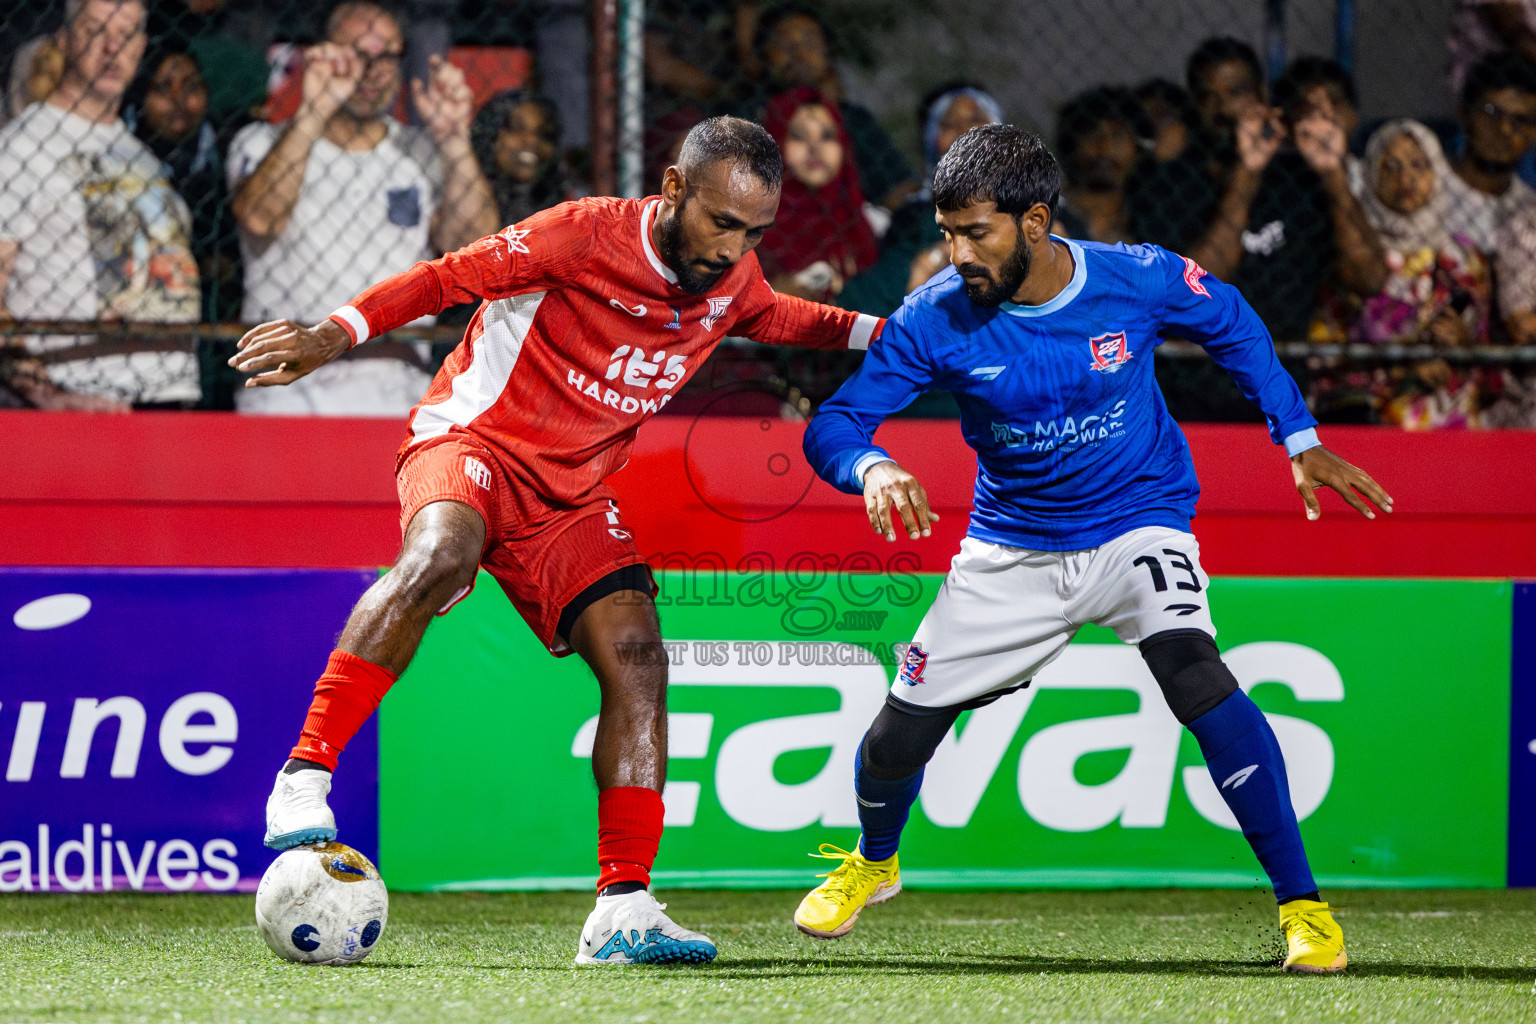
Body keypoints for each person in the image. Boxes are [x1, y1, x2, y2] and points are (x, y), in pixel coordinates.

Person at [233, 116, 883, 966]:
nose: (733, 248)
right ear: (674, 188)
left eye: (754, 233)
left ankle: (624, 908)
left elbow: (785, 317)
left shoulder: (732, 280)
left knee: (638, 657)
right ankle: (303, 776)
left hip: (570, 496)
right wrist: (331, 334)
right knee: (440, 557)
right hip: (473, 441)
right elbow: (443, 278)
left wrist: (895, 335)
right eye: (722, 222)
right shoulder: (583, 234)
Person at [792, 124, 1392, 973]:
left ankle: (1305, 910)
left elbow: (1231, 321)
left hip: (1137, 519)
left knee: (1195, 671)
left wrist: (1297, 436)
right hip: (1013, 546)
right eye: (947, 233)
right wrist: (873, 466)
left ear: (1035, 222)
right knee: (895, 740)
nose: (957, 254)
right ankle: (874, 860)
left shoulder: (1134, 277)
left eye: (976, 233)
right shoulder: (935, 316)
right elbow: (836, 423)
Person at [228, 0, 498, 416]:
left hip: (397, 387)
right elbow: (260, 218)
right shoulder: (260, 142)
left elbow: (475, 249)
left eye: (387, 56)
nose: (373, 70)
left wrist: (454, 140)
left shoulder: (422, 152)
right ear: (318, 54)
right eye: (356, 53)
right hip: (285, 387)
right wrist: (314, 110)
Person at [0, 0, 202, 411]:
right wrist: (49, 396)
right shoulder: (22, 146)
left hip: (168, 400)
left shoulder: (140, 155)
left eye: (125, 34)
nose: (111, 47)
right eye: (95, 30)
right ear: (64, 40)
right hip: (81, 401)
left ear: (141, 46)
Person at [1127, 37, 1386, 342]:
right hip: (1199, 364)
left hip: (1280, 363)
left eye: (1236, 93)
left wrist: (1333, 174)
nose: (1223, 109)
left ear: (1262, 96)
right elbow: (1190, 296)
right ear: (1194, 106)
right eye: (1208, 97)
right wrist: (1246, 175)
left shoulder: (1298, 181)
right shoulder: (1170, 184)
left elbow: (1369, 278)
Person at [836, 80, 1002, 318]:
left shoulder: (1041, 207)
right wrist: (927, 265)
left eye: (976, 118)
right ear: (932, 140)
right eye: (949, 124)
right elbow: (864, 299)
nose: (965, 130)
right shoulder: (915, 219)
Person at [750, 4, 918, 211]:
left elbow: (899, 188)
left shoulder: (854, 119)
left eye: (810, 41)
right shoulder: (752, 122)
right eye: (784, 45)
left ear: (827, 49)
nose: (799, 53)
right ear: (764, 56)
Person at [126, 42, 242, 324]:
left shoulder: (224, 148)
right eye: (163, 89)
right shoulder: (123, 153)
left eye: (191, 87)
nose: (179, 100)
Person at [756, 87, 878, 301]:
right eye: (799, 136)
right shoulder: (753, 238)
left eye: (827, 136)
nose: (815, 148)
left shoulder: (868, 224)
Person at [1441, 52, 1536, 255]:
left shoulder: (1530, 215)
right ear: (1464, 114)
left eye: (1520, 120)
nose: (1504, 129)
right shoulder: (1426, 185)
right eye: (1492, 112)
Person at [1053, 86, 1153, 245]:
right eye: (1092, 133)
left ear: (1138, 146)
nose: (1104, 147)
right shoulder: (1045, 211)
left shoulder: (1149, 224)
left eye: (1117, 135)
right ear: (1072, 145)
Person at [469, 89, 570, 229]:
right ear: (490, 135)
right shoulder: (460, 191)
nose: (531, 140)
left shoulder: (563, 208)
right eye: (517, 128)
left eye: (544, 134)